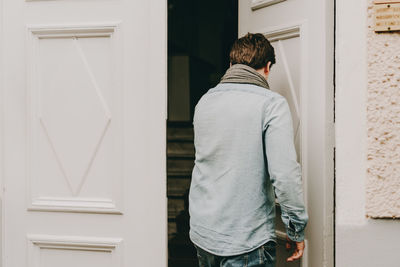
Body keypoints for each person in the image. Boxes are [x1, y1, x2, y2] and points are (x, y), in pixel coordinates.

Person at [188, 33, 309, 267]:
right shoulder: (271, 104)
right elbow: (284, 175)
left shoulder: (205, 101)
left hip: (204, 234)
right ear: (268, 67)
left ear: (231, 64)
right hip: (246, 240)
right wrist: (296, 229)